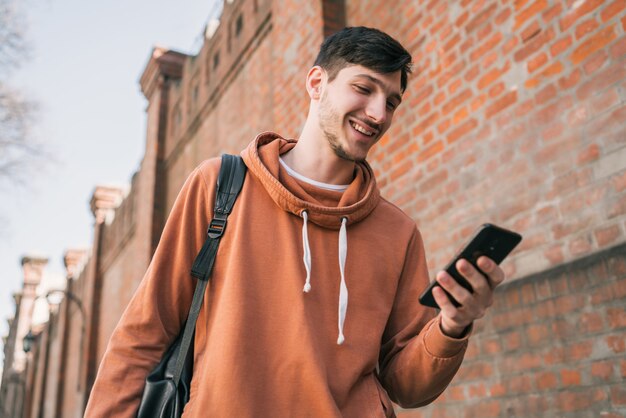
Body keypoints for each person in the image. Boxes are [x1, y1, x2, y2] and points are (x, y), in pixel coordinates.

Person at [85, 26, 505, 417]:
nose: (378, 113)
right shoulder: (220, 187)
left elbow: (406, 385)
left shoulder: (398, 232)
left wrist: (452, 325)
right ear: (317, 83)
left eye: (391, 101)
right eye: (364, 89)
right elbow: (144, 334)